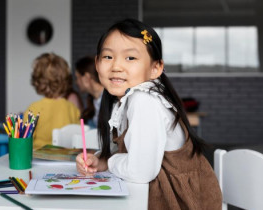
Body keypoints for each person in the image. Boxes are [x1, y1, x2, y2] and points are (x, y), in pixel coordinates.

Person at [75, 19, 222, 209]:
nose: (116, 66)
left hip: (181, 203)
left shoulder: (144, 100)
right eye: (108, 57)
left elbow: (140, 171)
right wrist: (100, 160)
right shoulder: (127, 100)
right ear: (97, 63)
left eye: (130, 58)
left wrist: (110, 162)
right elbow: (129, 153)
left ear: (156, 68)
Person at [25, 53, 80, 149]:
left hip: (38, 159)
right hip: (65, 158)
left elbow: (25, 140)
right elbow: (78, 136)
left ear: (37, 82)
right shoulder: (73, 109)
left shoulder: (33, 109)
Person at [75, 56, 104, 128]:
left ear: (86, 77)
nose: (76, 82)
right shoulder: (93, 101)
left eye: (77, 77)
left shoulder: (110, 100)